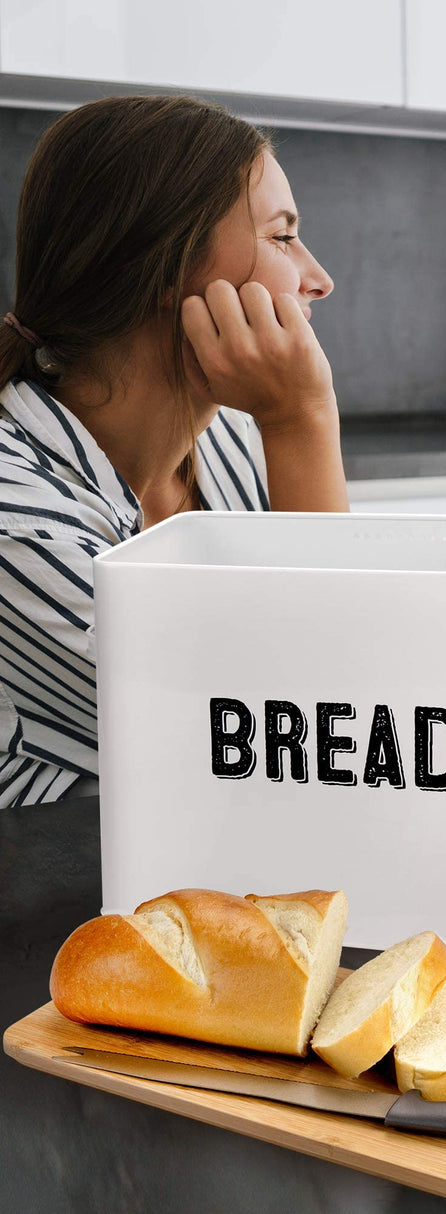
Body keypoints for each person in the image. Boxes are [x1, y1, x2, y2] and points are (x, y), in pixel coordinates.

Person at [0, 94, 348, 807]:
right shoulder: (15, 519)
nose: (317, 279)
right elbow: (299, 744)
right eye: (282, 238)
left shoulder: (230, 442)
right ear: (169, 268)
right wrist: (303, 420)